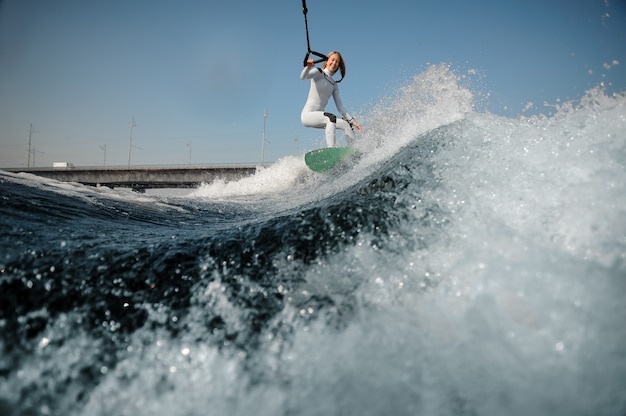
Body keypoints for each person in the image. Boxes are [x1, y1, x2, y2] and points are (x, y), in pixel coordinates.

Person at [300, 51, 362, 147]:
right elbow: (303, 77)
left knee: (345, 124)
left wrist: (353, 122)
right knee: (330, 118)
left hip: (321, 118)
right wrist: (308, 68)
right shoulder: (318, 72)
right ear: (327, 60)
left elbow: (340, 107)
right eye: (332, 60)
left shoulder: (334, 84)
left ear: (338, 66)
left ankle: (352, 151)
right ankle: (331, 150)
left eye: (337, 62)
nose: (334, 63)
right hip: (308, 115)